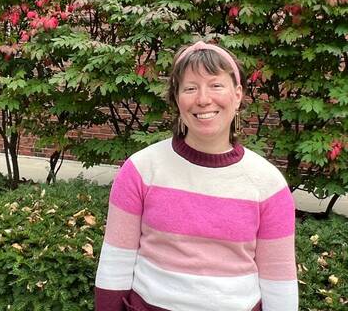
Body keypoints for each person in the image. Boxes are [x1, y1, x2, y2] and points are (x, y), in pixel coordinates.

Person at [94, 41, 298, 311]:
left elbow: (279, 282)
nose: (203, 99)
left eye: (216, 85)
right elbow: (115, 263)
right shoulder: (141, 170)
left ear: (237, 95)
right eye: (190, 88)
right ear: (177, 99)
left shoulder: (268, 184)